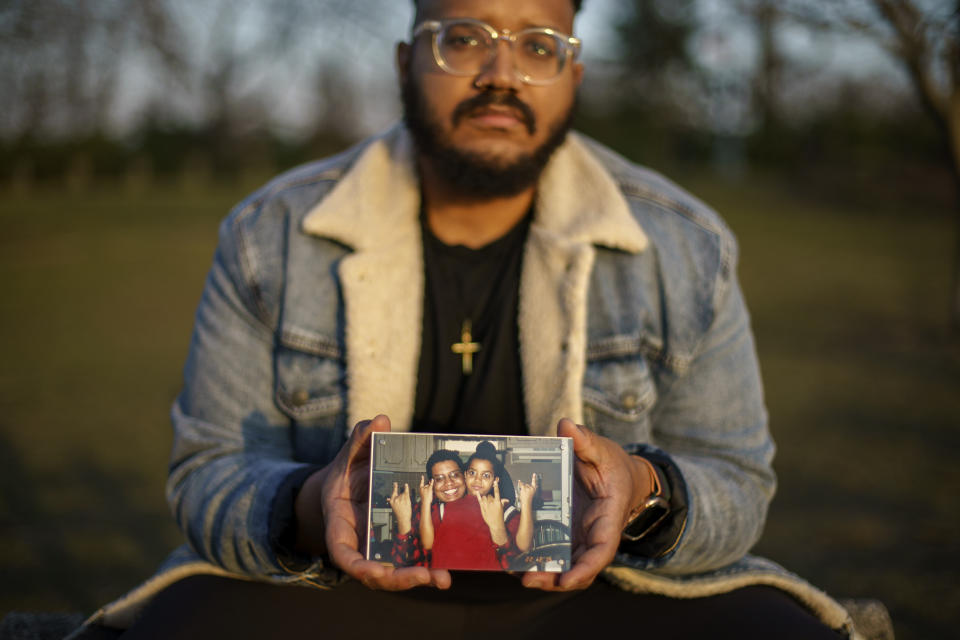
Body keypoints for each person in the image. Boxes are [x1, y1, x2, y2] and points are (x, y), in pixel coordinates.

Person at [73, 0, 860, 637]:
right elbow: (207, 471)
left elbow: (738, 479)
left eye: (538, 45)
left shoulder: (684, 246)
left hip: (603, 597)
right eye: (462, 37)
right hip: (337, 599)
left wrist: (644, 489)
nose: (500, 72)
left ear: (573, 74)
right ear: (403, 61)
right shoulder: (269, 235)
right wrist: (313, 508)